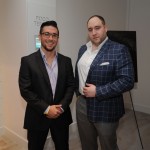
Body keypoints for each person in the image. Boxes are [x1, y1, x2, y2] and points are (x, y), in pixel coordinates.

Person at [75, 15, 134, 150]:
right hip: (82, 105)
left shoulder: (119, 49)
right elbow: (77, 74)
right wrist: (78, 95)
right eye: (90, 29)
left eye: (97, 28)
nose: (94, 32)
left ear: (105, 28)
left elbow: (127, 80)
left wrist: (98, 91)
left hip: (106, 106)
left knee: (108, 145)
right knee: (87, 144)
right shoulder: (83, 49)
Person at [19, 21, 75, 150]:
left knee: (62, 147)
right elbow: (25, 90)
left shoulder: (66, 61)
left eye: (54, 35)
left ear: (58, 38)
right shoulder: (27, 61)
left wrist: (61, 108)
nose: (51, 38)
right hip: (37, 116)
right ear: (40, 36)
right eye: (47, 34)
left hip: (61, 117)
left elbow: (70, 86)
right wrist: (46, 109)